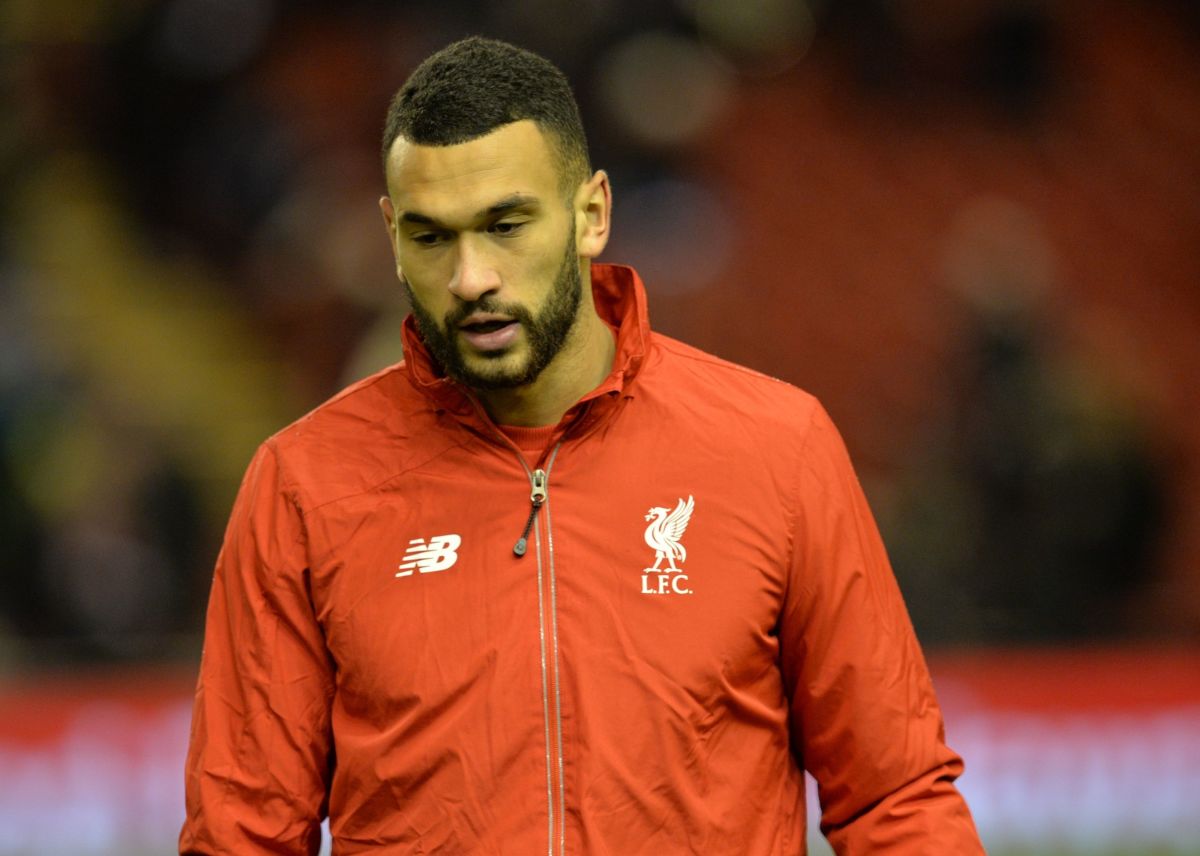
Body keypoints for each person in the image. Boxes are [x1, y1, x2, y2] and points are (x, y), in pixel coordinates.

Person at [180, 36, 983, 855]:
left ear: (591, 213)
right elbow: (241, 833)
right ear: (390, 236)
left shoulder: (776, 447)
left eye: (505, 225)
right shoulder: (305, 484)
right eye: (430, 238)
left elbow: (896, 799)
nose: (470, 277)